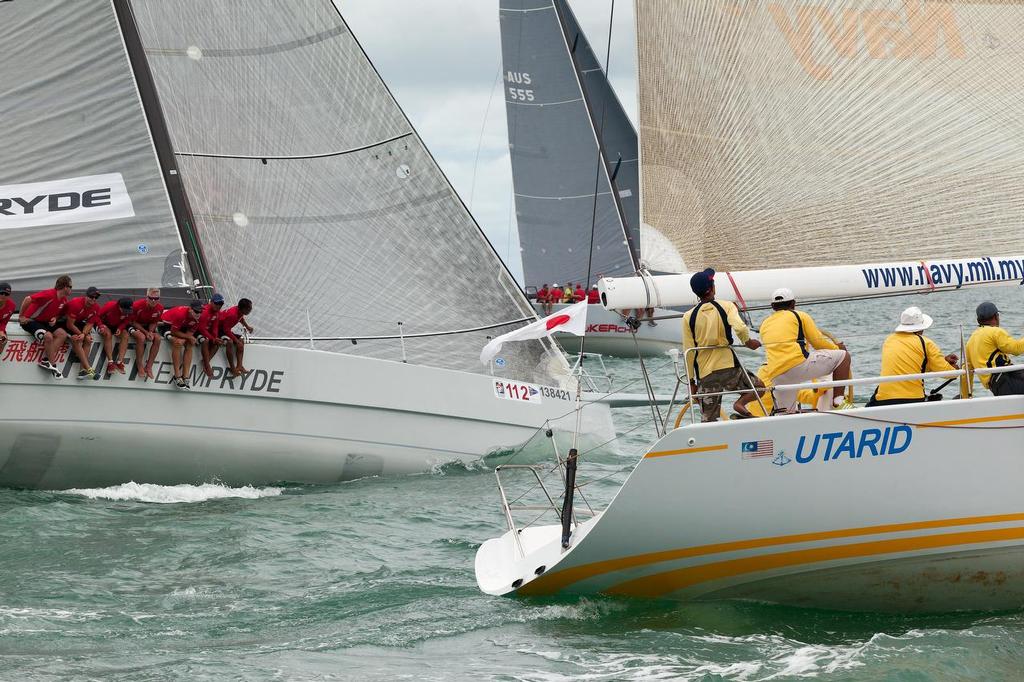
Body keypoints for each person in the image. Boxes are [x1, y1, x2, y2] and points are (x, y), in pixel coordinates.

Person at [681, 268, 763, 421]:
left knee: (708, 419)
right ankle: (740, 404)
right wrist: (749, 342)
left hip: (706, 374)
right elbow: (739, 327)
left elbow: (689, 352)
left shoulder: (688, 316)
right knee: (759, 388)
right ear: (712, 287)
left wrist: (691, 382)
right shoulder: (727, 306)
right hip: (730, 369)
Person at [759, 287, 851, 413]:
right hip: (797, 366)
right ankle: (838, 400)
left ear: (772, 306)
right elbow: (818, 342)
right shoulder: (799, 315)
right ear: (793, 303)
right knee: (843, 357)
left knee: (786, 413)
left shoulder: (764, 323)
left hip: (776, 374)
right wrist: (838, 348)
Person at [866, 306, 958, 407]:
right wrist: (956, 369)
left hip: (884, 398)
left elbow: (911, 366)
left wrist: (943, 360)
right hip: (913, 398)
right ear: (921, 327)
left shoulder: (889, 340)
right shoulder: (925, 342)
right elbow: (948, 373)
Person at [19, 274, 73, 378]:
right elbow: (27, 299)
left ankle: (46, 360)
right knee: (48, 336)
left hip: (44, 322)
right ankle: (53, 365)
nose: (72, 289)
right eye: (71, 287)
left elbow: (58, 312)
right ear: (65, 287)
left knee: (62, 334)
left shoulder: (64, 300)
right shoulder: (49, 294)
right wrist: (21, 316)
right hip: (30, 320)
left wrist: (55, 318)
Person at [966, 301, 1024, 396]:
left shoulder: (970, 341)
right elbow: (1016, 349)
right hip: (1006, 380)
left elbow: (966, 372)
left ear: (978, 320)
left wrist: (965, 397)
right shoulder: (995, 331)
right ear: (996, 316)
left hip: (996, 386)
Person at [159, 300, 202, 389]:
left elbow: (190, 332)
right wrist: (188, 337)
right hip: (166, 325)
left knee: (190, 343)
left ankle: (185, 376)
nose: (199, 314)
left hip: (181, 327)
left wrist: (189, 338)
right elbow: (174, 331)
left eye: (201, 312)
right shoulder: (181, 314)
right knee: (178, 342)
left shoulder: (198, 318)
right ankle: (177, 376)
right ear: (190, 309)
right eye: (197, 311)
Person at [63, 286, 104, 380]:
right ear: (86, 296)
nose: (94, 299)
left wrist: (84, 334)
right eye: (91, 297)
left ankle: (82, 371)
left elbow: (90, 324)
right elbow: (69, 324)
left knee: (88, 340)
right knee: (77, 339)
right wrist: (80, 334)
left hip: (77, 322)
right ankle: (88, 368)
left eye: (96, 297)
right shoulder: (76, 303)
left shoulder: (96, 307)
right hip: (64, 321)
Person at [129, 288, 164, 380]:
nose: (153, 301)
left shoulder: (160, 308)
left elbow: (154, 322)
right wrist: (146, 332)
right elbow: (132, 322)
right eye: (151, 298)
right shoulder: (137, 305)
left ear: (159, 299)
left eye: (156, 299)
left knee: (158, 338)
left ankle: (149, 366)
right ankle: (139, 365)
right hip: (134, 324)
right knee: (141, 338)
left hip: (147, 326)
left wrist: (151, 332)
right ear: (147, 298)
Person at [219, 298, 254, 377]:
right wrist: (236, 341)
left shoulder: (239, 311)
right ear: (244, 309)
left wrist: (248, 327)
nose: (250, 310)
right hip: (219, 330)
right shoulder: (232, 315)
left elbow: (241, 318)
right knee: (230, 342)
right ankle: (232, 368)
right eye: (249, 309)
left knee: (241, 340)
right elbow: (226, 330)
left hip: (225, 329)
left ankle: (239, 366)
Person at [196, 294, 226, 378]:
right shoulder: (205, 311)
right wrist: (212, 338)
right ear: (211, 302)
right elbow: (201, 329)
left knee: (217, 343)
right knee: (205, 341)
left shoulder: (217, 313)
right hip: (197, 329)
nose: (218, 306)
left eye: (220, 304)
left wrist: (215, 338)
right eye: (216, 304)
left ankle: (205, 362)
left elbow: (215, 327)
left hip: (205, 330)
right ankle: (207, 365)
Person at [0, 282, 14, 358]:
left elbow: (4, 322)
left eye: (6, 294)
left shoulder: (11, 306)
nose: (3, 296)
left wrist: (2, 332)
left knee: (3, 341)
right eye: (1, 293)